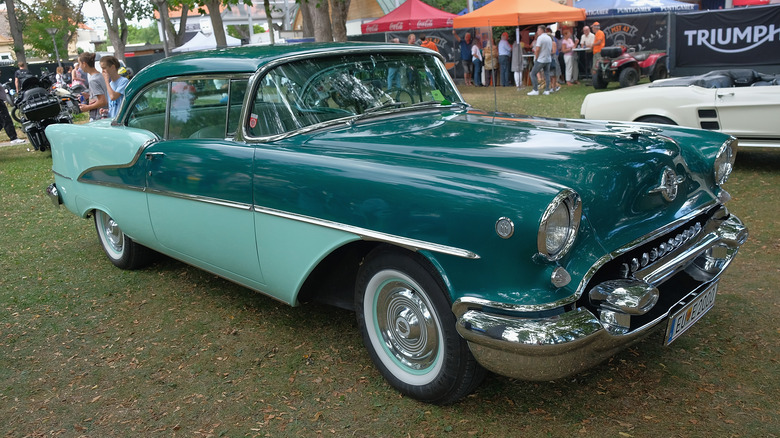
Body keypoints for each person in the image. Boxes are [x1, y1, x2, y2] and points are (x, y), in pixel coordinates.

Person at [77, 52, 108, 121]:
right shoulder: (100, 76)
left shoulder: (93, 80)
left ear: (84, 64)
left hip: (98, 116)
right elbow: (102, 95)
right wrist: (89, 96)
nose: (79, 67)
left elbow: (103, 101)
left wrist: (87, 107)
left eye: (79, 64)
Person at [528, 25, 552, 96]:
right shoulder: (549, 38)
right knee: (547, 74)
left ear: (541, 30)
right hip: (548, 58)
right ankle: (547, 90)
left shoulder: (540, 38)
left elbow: (537, 49)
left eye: (538, 30)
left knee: (532, 73)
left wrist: (536, 57)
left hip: (541, 59)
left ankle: (535, 89)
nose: (537, 32)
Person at [546, 28, 561, 92]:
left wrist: (547, 52)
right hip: (548, 59)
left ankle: (554, 87)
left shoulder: (553, 43)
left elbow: (554, 51)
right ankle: (551, 86)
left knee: (554, 75)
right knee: (549, 74)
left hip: (553, 59)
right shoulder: (547, 44)